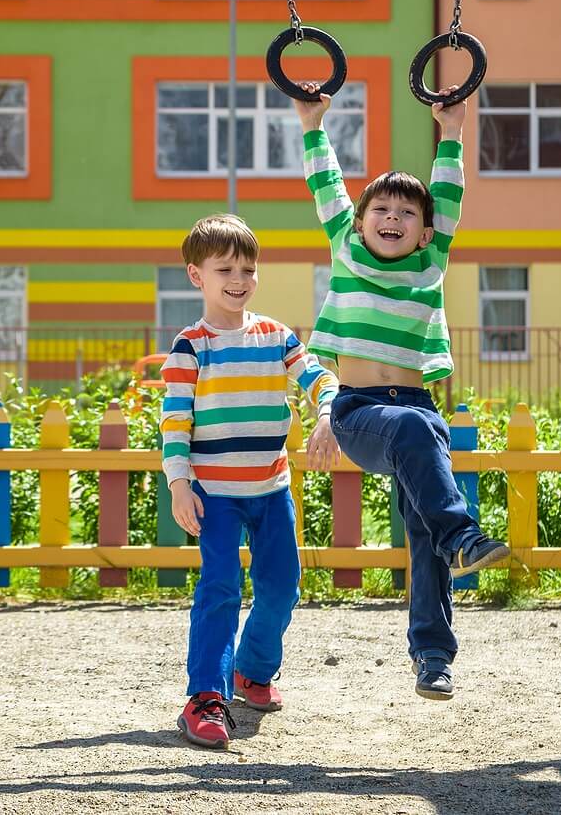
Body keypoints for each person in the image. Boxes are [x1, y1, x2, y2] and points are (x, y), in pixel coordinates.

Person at [296, 82, 508, 700]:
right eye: (381, 211)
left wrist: (452, 133)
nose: (393, 219)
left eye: (407, 214)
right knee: (427, 463)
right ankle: (464, 535)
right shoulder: (347, 251)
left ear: (424, 233)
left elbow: (449, 195)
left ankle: (434, 659)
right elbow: (325, 185)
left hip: (417, 409)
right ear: (360, 223)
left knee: (423, 528)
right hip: (359, 411)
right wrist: (313, 124)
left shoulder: (429, 265)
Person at [161, 213, 340, 748]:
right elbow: (175, 420)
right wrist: (178, 483)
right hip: (213, 496)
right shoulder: (190, 347)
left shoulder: (276, 336)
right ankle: (205, 698)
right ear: (197, 275)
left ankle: (252, 671)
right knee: (219, 590)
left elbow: (316, 376)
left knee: (282, 588)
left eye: (247, 268)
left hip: (271, 490)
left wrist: (327, 412)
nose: (238, 279)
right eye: (225, 269)